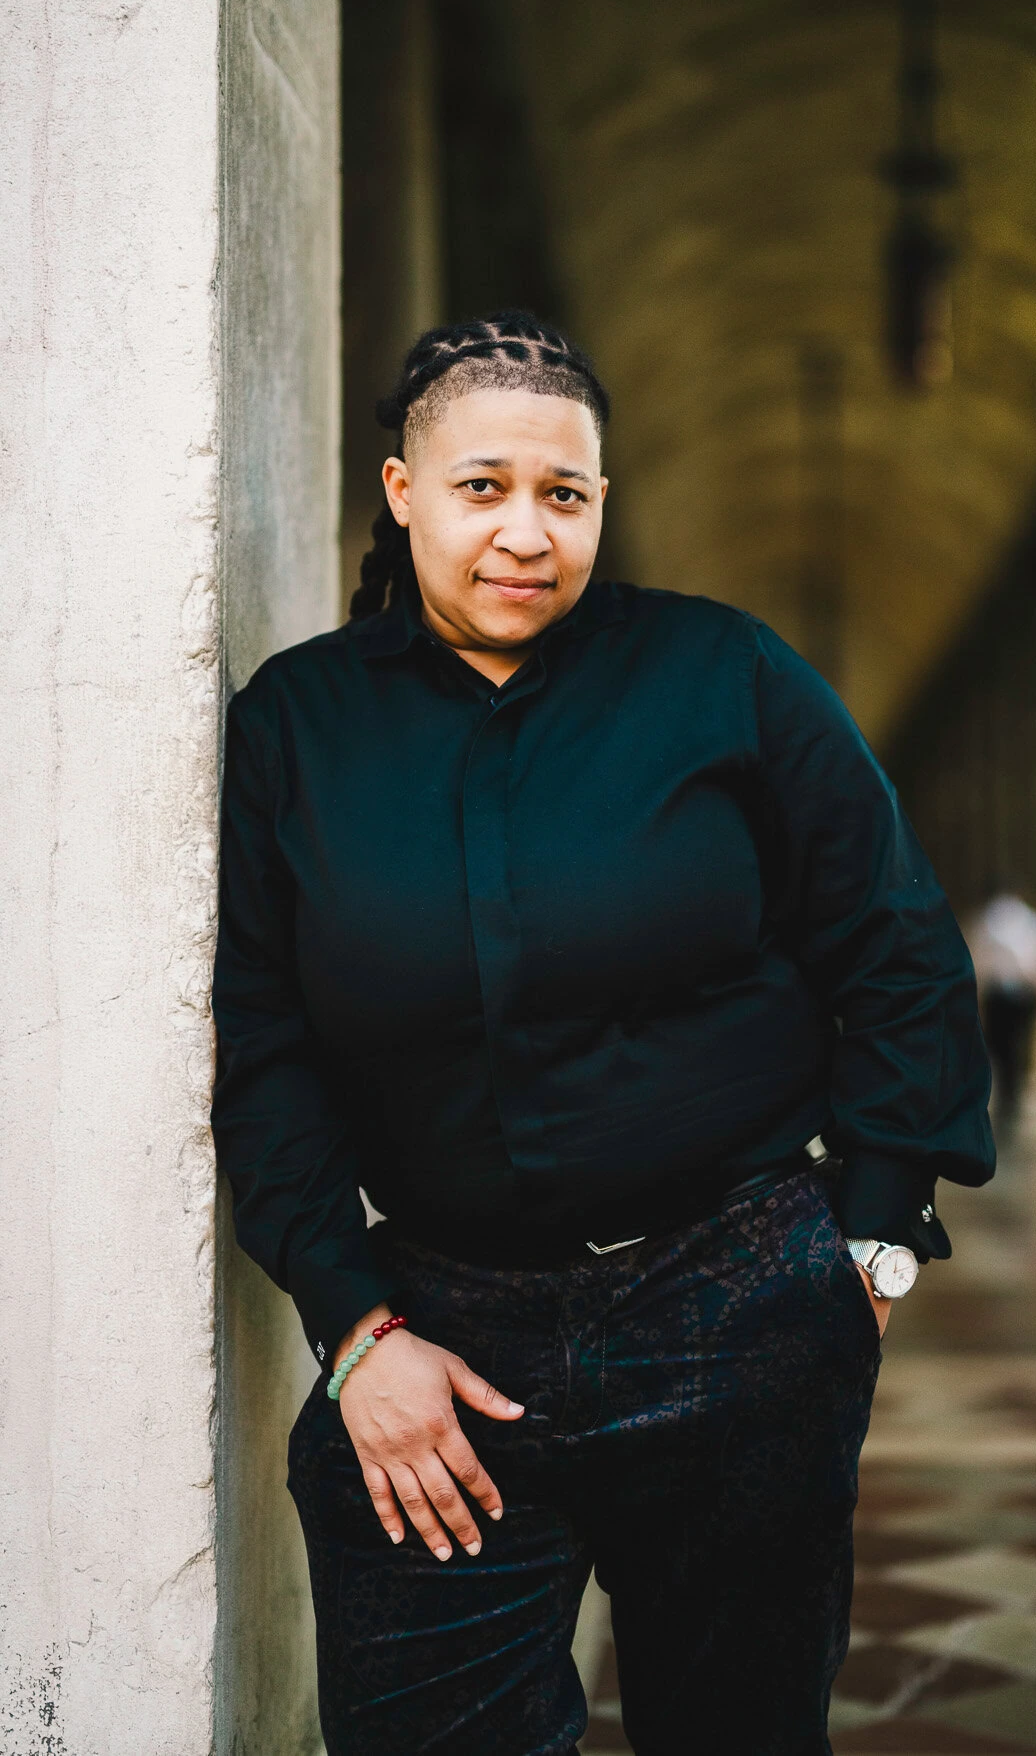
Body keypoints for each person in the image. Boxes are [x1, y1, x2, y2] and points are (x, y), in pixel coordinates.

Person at [211, 311, 994, 1756]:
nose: (525, 532)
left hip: (737, 1301)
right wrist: (353, 1329)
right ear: (402, 493)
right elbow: (263, 1049)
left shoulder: (725, 678)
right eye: (483, 487)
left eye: (563, 496)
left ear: (601, 508)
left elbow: (894, 936)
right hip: (436, 1338)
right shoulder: (297, 729)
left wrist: (871, 1247)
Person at [968, 885, 1036, 1134]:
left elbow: (973, 961)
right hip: (1019, 993)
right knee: (1016, 1048)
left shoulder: (985, 919)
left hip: (1001, 994)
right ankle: (1012, 1099)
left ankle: (1009, 1101)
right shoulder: (1031, 920)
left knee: (1002, 1050)